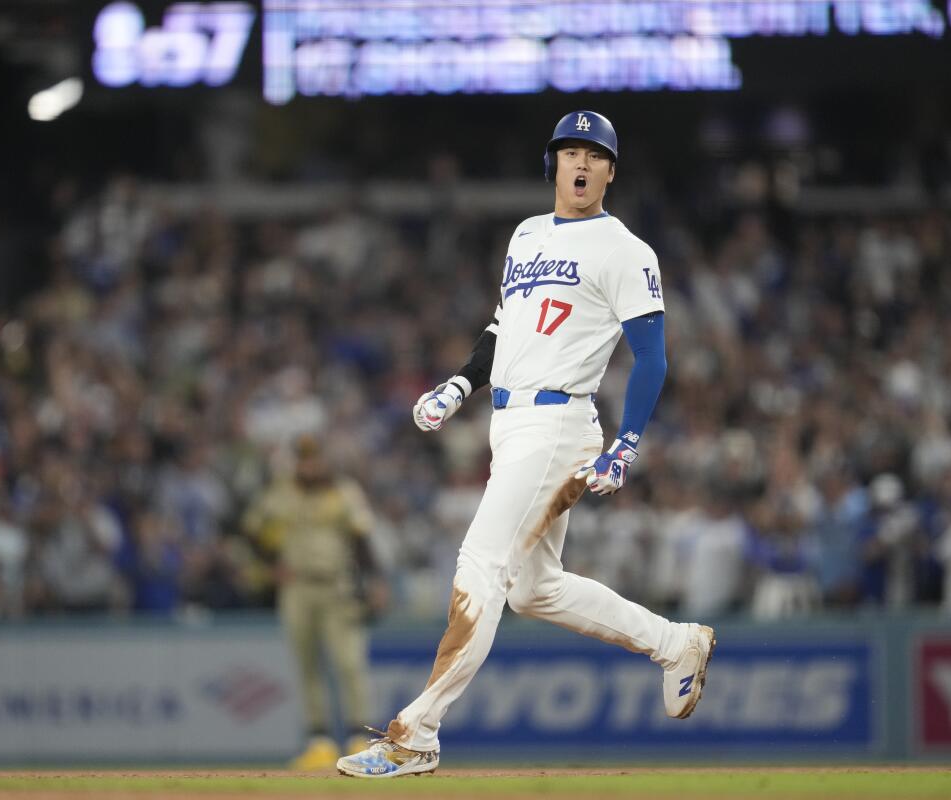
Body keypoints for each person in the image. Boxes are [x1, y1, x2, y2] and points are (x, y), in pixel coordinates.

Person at [337, 111, 715, 779]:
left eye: (594, 154)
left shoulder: (626, 249)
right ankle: (675, 643)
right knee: (532, 590)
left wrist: (625, 445)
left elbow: (651, 357)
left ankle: (416, 734)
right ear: (553, 164)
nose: (581, 161)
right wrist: (460, 384)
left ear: (610, 171)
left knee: (480, 565)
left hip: (557, 423)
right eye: (570, 149)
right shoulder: (527, 233)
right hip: (508, 421)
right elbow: (502, 327)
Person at [244, 435, 387, 770]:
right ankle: (318, 741)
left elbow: (362, 538)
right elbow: (251, 531)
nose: (310, 465)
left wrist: (376, 581)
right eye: (304, 459)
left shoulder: (343, 491)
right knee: (307, 665)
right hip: (296, 587)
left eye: (315, 458)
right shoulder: (281, 492)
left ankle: (358, 737)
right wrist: (268, 565)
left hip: (337, 585)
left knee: (349, 663)